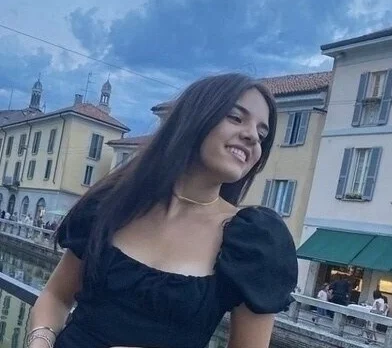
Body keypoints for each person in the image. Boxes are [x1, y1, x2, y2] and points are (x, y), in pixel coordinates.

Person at [28, 74, 298, 348]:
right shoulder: (112, 202)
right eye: (236, 118)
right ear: (195, 118)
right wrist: (40, 341)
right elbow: (57, 296)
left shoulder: (253, 240)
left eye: (262, 135)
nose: (252, 136)